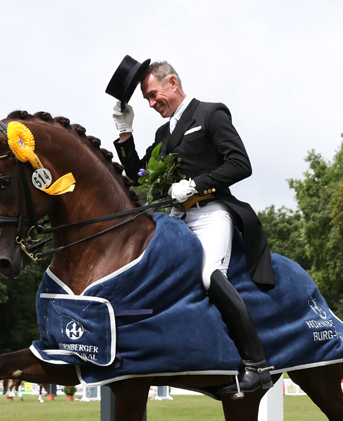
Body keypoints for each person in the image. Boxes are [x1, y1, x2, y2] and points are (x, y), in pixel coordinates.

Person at [107, 57, 274, 397]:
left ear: (172, 82)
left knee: (208, 275)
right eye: (148, 101)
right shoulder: (162, 134)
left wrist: (198, 184)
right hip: (178, 220)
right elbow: (139, 175)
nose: (153, 104)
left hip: (211, 212)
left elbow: (241, 164)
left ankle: (257, 365)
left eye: (154, 95)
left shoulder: (211, 114)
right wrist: (125, 133)